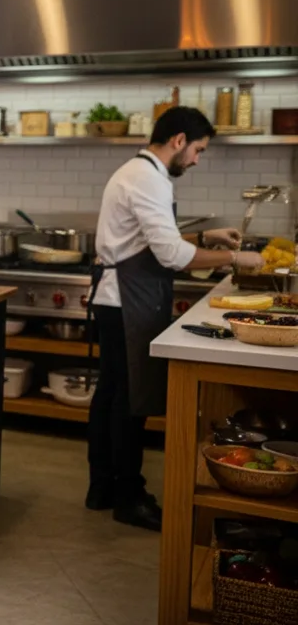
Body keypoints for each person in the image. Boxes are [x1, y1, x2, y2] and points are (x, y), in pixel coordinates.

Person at [86, 107, 262, 531]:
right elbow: (171, 255)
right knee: (131, 402)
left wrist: (205, 236)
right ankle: (129, 496)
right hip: (128, 300)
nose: (198, 160)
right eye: (198, 150)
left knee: (111, 396)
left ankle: (103, 488)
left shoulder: (137, 172)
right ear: (179, 141)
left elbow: (149, 238)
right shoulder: (148, 177)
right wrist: (236, 257)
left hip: (119, 298)